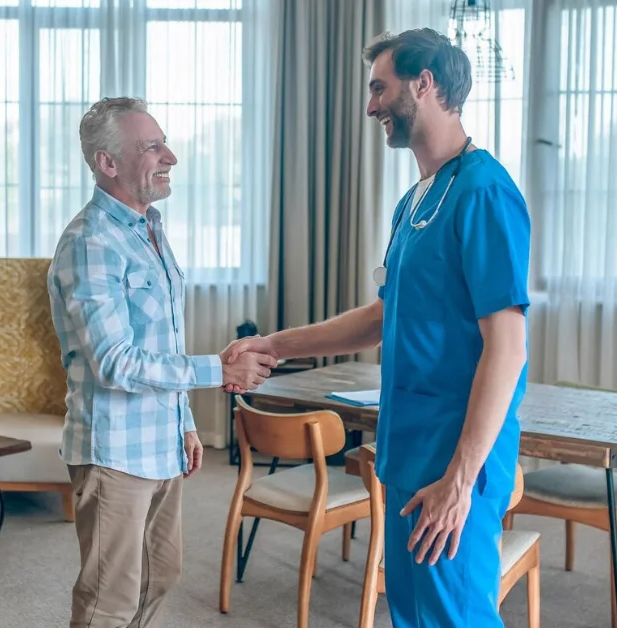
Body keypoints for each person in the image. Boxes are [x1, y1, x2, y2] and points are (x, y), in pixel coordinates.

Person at [224, 28, 530, 627]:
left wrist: (459, 482)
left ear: (425, 84)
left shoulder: (485, 193)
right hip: (406, 450)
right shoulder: (415, 201)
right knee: (412, 616)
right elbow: (384, 317)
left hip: (453, 461)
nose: (370, 107)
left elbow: (508, 348)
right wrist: (274, 345)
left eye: (379, 88)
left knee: (455, 617)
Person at [47, 96, 278, 628]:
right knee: (110, 598)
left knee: (162, 573)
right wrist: (217, 372)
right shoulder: (90, 243)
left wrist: (186, 422)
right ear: (108, 163)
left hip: (161, 442)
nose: (170, 156)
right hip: (114, 452)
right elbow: (115, 362)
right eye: (151, 146)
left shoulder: (150, 229)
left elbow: (163, 342)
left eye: (164, 143)